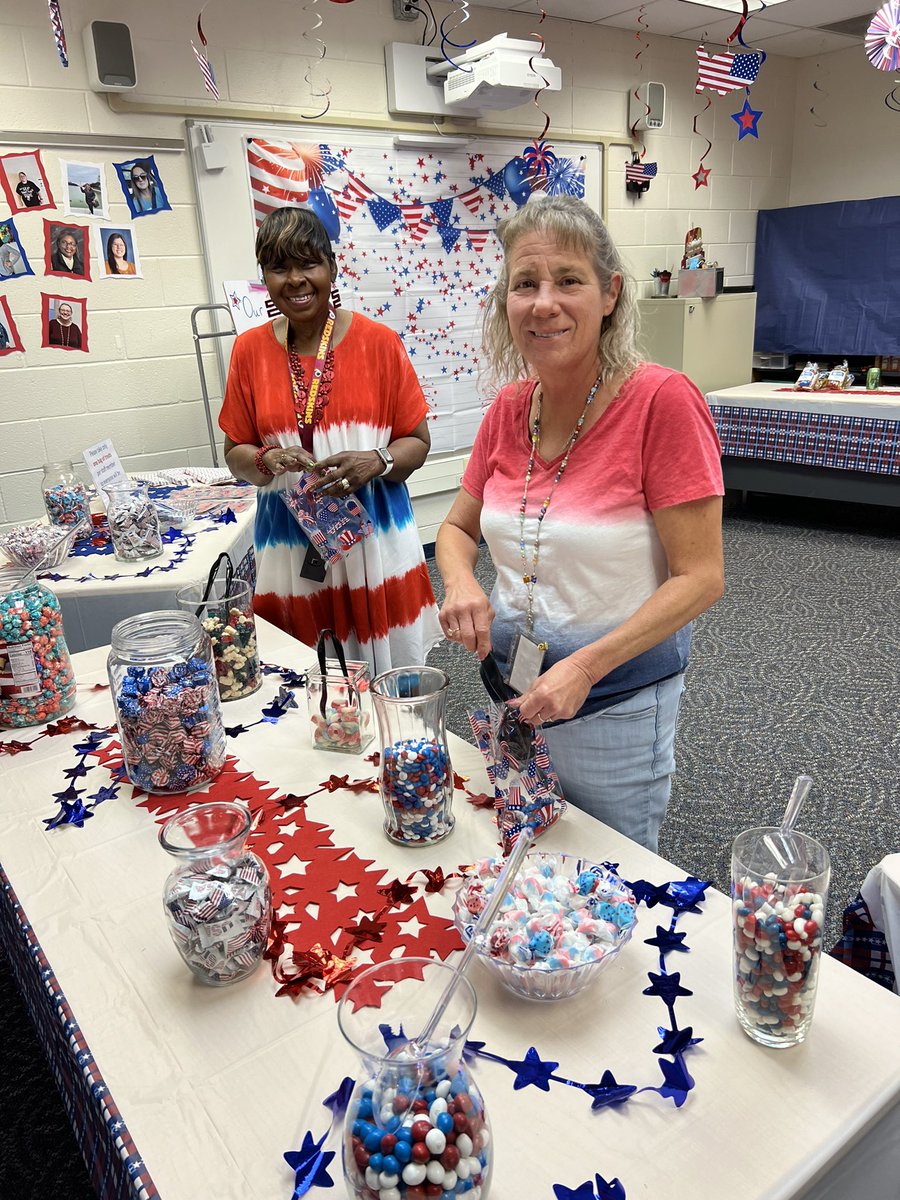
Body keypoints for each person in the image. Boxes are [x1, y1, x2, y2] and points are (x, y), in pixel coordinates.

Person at [435, 195, 725, 852]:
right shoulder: (508, 410)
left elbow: (702, 578)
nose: (544, 302)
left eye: (568, 280)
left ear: (609, 294)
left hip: (613, 701)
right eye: (525, 284)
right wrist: (460, 582)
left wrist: (586, 668)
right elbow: (456, 528)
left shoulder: (662, 403)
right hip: (511, 689)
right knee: (525, 860)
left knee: (610, 881)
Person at [219, 205, 441, 672]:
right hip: (290, 538)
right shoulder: (249, 351)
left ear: (332, 267)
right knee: (305, 674)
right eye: (280, 268)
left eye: (308, 263)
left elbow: (417, 442)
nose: (296, 279)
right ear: (265, 276)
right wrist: (268, 458)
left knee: (390, 680)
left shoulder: (379, 343)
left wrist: (376, 460)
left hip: (372, 535)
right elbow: (235, 454)